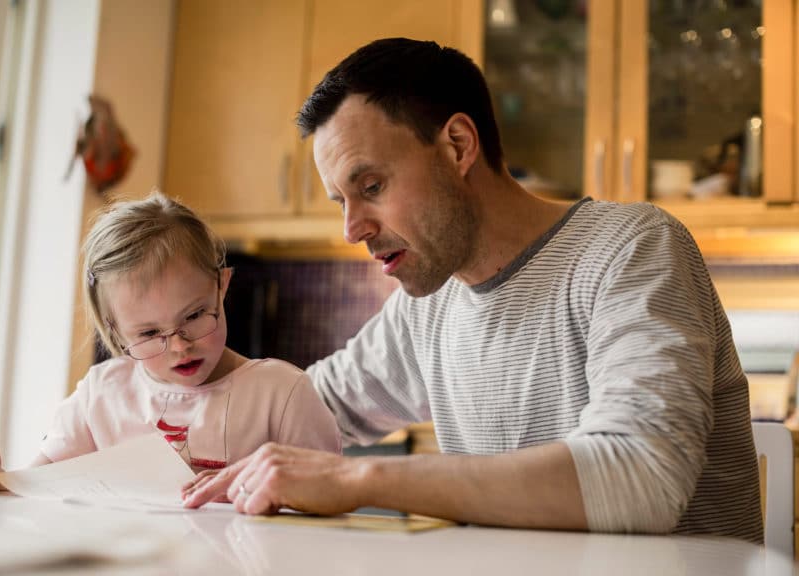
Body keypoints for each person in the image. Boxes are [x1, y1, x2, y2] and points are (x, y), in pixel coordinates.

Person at [181, 38, 762, 543]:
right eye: (342, 201)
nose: (351, 228)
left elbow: (641, 478)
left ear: (458, 145)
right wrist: (143, 398)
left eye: (372, 186)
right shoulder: (426, 305)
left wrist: (356, 479)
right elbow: (300, 407)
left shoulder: (630, 248)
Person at [0, 192, 340, 492]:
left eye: (195, 316)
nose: (179, 346)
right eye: (148, 334)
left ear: (222, 287)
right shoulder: (101, 396)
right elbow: (38, 493)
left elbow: (333, 499)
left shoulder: (283, 395)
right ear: (115, 332)